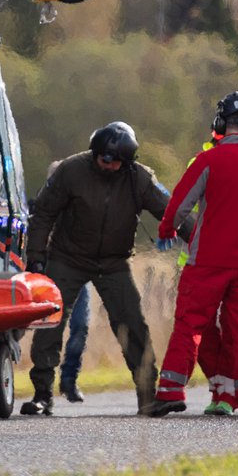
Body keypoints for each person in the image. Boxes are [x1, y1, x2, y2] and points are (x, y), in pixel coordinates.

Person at [146, 92, 238, 419]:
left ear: (221, 124)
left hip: (206, 261)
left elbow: (179, 206)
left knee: (189, 324)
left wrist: (167, 230)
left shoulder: (207, 161)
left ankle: (170, 391)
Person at [21, 121, 171, 416]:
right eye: (102, 158)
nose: (107, 164)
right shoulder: (71, 170)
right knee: (51, 322)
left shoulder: (139, 179)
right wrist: (36, 257)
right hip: (67, 258)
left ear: (127, 162)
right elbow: (44, 213)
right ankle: (42, 394)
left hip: (113, 263)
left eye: (114, 161)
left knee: (132, 323)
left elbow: (169, 210)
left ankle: (147, 396)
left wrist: (202, 240)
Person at [44, 159, 93, 404]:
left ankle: (69, 380)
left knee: (81, 326)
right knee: (50, 330)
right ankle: (44, 385)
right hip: (50, 277)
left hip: (79, 274)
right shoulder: (43, 209)